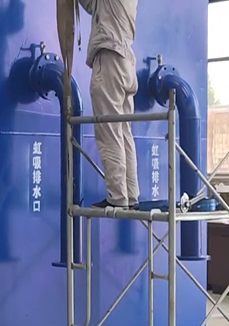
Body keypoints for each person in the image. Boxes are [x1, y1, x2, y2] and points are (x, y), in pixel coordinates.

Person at [79, 0, 140, 209]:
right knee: (123, 132)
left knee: (109, 132)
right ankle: (130, 194)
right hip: (125, 61)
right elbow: (92, 5)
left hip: (110, 58)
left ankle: (117, 197)